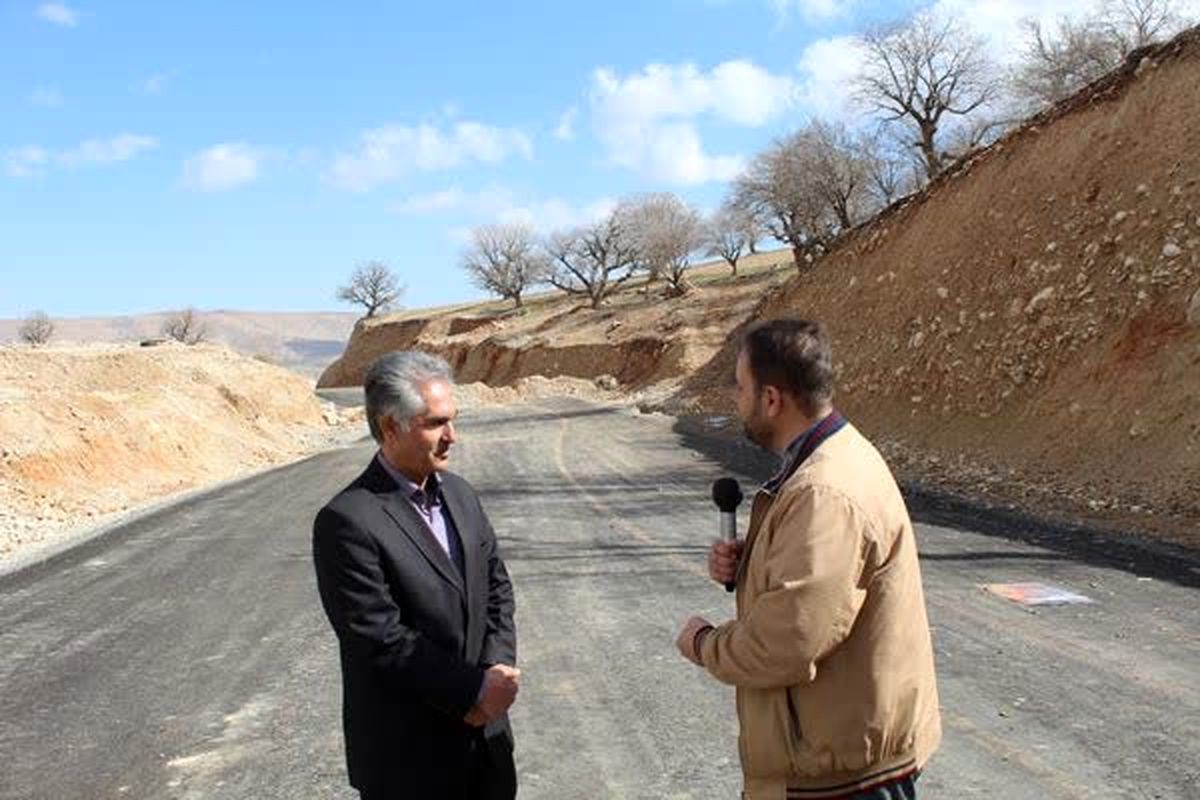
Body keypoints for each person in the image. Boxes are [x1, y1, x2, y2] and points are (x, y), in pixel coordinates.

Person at [675, 318, 940, 800]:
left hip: (843, 781)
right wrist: (752, 564)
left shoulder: (824, 492)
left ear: (772, 399)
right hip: (839, 761)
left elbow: (787, 643)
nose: (735, 399)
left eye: (740, 387)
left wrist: (704, 643)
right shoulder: (828, 462)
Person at [313, 351, 519, 800]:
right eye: (435, 424)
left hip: (486, 750)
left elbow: (496, 588)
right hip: (409, 761)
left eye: (453, 420)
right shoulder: (347, 520)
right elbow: (378, 638)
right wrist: (472, 692)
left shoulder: (461, 495)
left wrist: (496, 669)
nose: (452, 436)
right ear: (390, 427)